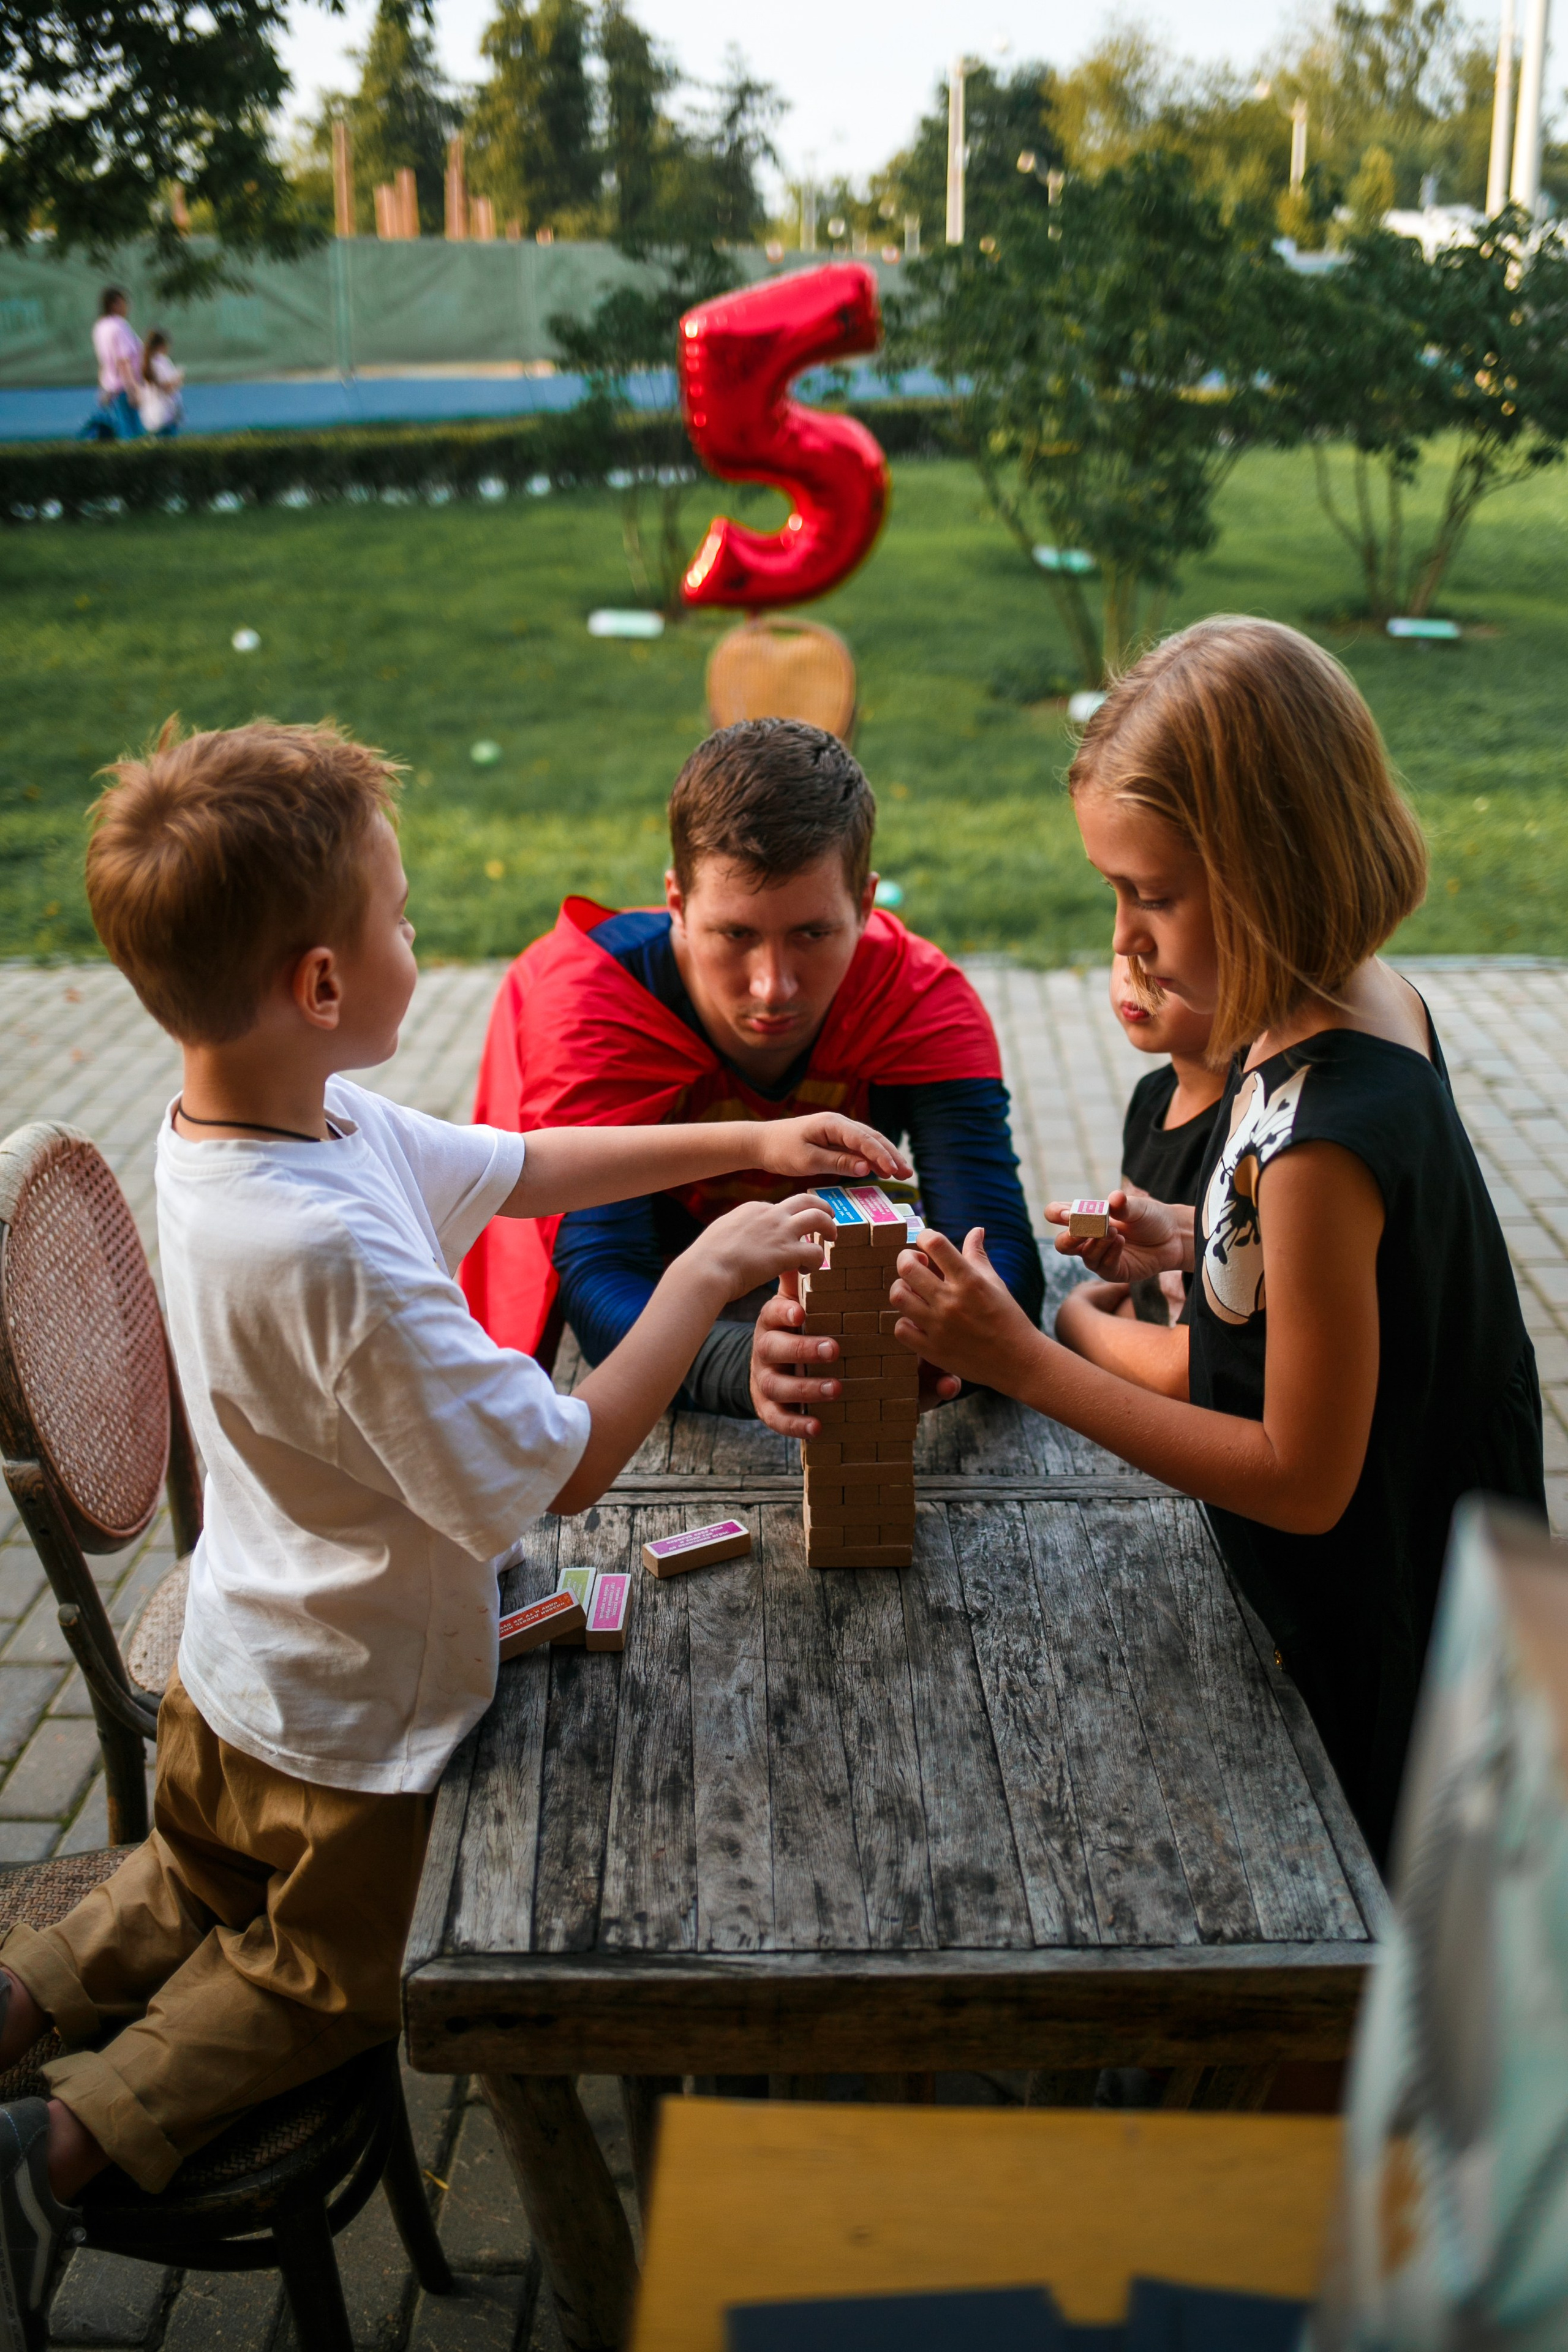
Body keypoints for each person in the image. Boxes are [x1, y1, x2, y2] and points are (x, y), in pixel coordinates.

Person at [0, 718, 910, 2331]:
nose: (422, 942)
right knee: (311, 1981)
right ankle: (66, 2140)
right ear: (326, 986)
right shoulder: (330, 1256)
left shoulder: (266, 1122)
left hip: (232, 1678)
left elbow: (524, 1163)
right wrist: (708, 1269)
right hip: (354, 1739)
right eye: (402, 917)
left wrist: (752, 1140)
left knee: (179, 1883)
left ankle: (17, 2000)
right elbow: (560, 1467)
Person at [887, 617, 1545, 1869]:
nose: (1125, 938)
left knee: (1358, 1916)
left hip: (1375, 1624)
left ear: (1266, 872)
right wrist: (1190, 1241)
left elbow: (1302, 1476)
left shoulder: (1320, 1127)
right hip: (1427, 1573)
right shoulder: (1339, 1002)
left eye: (1152, 895)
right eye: (1111, 892)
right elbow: (1350, 1273)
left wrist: (1027, 1359)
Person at [464, 720, 1043, 1440]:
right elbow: (599, 1269)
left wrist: (920, 1357)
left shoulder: (919, 997)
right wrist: (746, 1367)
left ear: (865, 904)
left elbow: (997, 1256)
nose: (773, 987)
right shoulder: (596, 1004)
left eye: (813, 933)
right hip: (672, 1271)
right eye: (735, 934)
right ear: (676, 904)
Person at [1096, 952, 1224, 1325]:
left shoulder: (1239, 1135)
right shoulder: (1152, 1093)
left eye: (1158, 957)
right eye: (1125, 955)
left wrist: (1076, 1317)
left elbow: (1185, 1367)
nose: (1132, 977)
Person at [79, 288, 143, 443]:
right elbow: (123, 361)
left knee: (114, 436)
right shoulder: (120, 326)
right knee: (132, 437)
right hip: (124, 389)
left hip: (110, 389)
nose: (127, 307)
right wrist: (132, 390)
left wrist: (104, 388)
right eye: (124, 303)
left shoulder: (100, 327)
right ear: (115, 304)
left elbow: (104, 361)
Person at [136, 331, 184, 437]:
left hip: (150, 416)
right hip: (166, 415)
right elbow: (166, 388)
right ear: (162, 346)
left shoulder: (145, 363)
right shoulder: (161, 362)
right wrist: (178, 379)